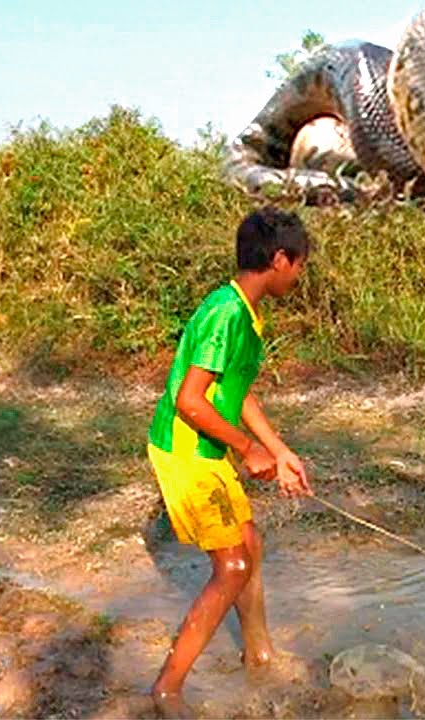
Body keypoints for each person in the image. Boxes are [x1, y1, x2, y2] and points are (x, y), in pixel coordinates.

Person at [145, 207, 315, 718]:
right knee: (233, 566)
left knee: (250, 545)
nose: (300, 274)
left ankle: (258, 653)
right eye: (300, 264)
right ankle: (167, 690)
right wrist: (248, 450)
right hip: (186, 451)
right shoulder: (226, 312)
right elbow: (190, 402)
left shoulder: (244, 311)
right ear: (279, 259)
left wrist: (279, 451)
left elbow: (236, 394)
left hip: (208, 448)